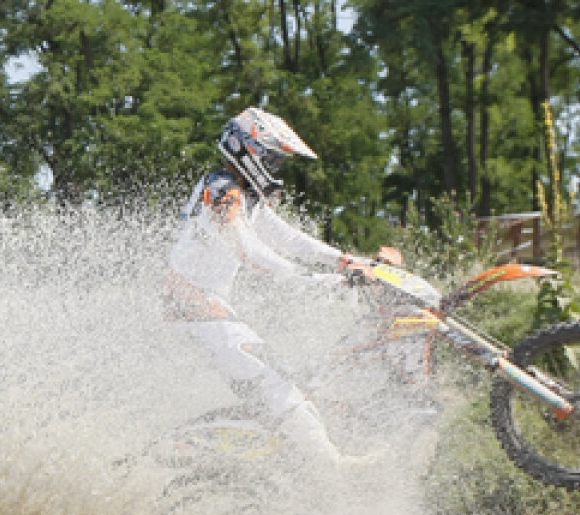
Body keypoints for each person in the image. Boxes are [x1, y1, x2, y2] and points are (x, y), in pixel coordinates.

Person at [165, 106, 403, 470]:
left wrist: (346, 261)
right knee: (277, 383)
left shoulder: (244, 195)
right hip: (194, 309)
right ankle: (334, 469)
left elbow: (288, 238)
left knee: (285, 380)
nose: (276, 170)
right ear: (249, 150)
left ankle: (282, 465)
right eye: (273, 161)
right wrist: (311, 280)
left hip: (204, 311)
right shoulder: (222, 190)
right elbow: (245, 247)